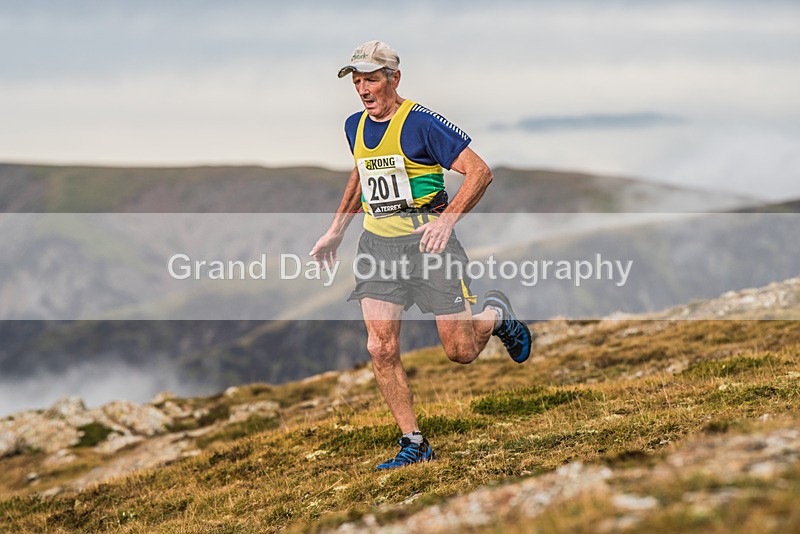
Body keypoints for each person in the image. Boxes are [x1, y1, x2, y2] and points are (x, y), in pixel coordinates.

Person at [310, 40, 532, 470]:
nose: (363, 88)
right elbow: (361, 173)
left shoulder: (422, 123)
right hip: (378, 248)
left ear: (394, 78)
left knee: (461, 351)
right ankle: (414, 442)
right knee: (380, 347)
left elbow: (479, 172)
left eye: (371, 78)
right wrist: (336, 230)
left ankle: (496, 317)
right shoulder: (354, 125)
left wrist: (446, 221)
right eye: (356, 80)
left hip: (430, 247)